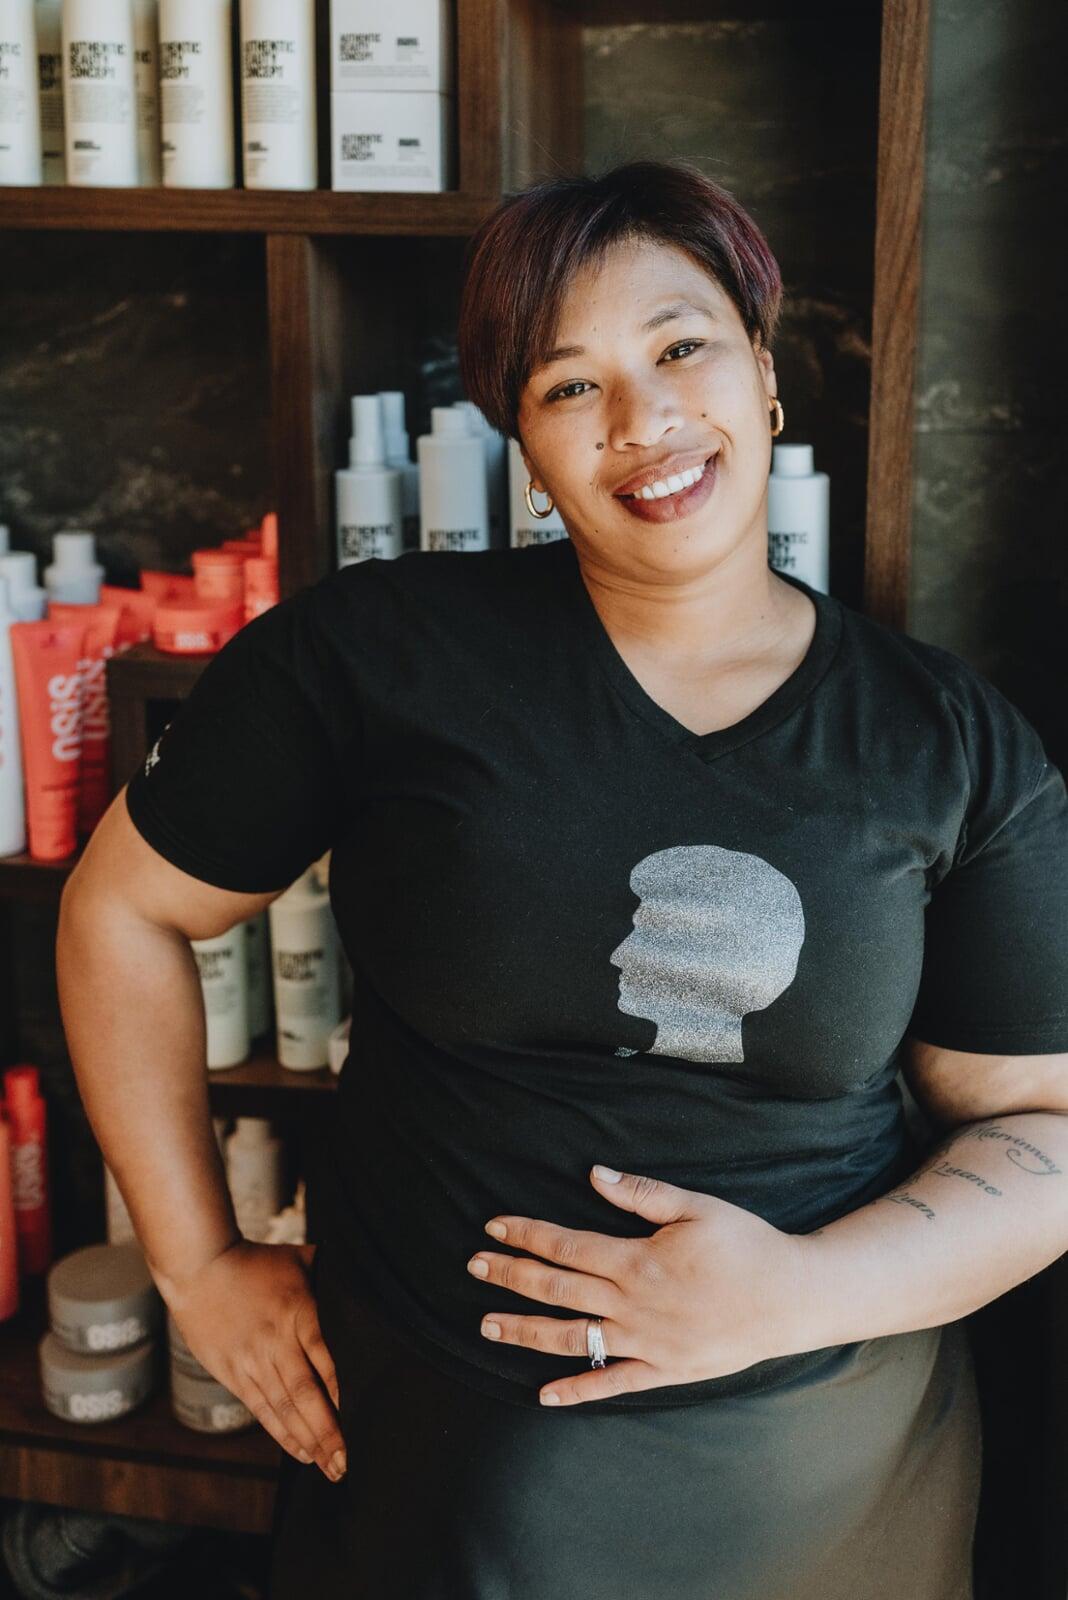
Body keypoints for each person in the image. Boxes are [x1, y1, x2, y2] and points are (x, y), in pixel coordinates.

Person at [56, 160, 1068, 1600]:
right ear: (522, 444)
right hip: (433, 1482)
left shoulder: (947, 742)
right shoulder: (377, 655)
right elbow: (124, 912)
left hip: (832, 1498)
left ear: (765, 376)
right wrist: (196, 1265)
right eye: (569, 387)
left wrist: (805, 1290)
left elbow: (1043, 1131)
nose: (647, 422)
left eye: (680, 347)